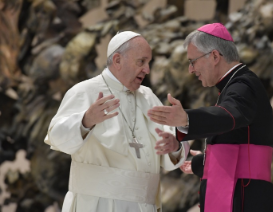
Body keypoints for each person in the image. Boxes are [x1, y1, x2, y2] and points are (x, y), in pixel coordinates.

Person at [44, 31, 190, 212]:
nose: (147, 70)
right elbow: (57, 138)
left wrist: (174, 145)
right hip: (98, 205)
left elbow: (169, 160)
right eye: (141, 62)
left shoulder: (148, 97)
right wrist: (85, 121)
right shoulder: (84, 91)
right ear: (118, 60)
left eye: (148, 63)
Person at [147, 23, 273, 212]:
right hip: (241, 192)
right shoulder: (232, 86)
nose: (191, 69)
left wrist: (186, 119)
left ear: (215, 56)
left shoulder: (243, 86)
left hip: (248, 200)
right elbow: (237, 150)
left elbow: (228, 117)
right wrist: (202, 163)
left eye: (193, 61)